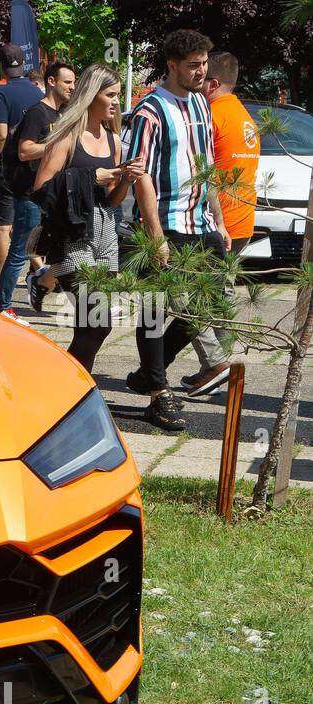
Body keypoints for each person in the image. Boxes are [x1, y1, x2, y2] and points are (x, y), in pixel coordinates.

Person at [123, 28, 230, 430]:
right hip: (164, 222)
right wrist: (154, 234)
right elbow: (140, 175)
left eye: (204, 63)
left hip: (201, 221)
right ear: (172, 66)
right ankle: (157, 392)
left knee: (211, 300)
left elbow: (206, 167)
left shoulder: (202, 103)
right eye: (193, 65)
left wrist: (218, 220)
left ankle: (150, 370)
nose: (202, 71)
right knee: (154, 307)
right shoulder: (150, 109)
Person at [33, 65, 142, 372]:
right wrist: (90, 177)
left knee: (91, 324)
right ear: (91, 95)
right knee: (98, 322)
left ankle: (73, 391)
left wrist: (126, 180)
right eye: (110, 95)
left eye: (118, 96)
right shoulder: (67, 136)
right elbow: (41, 190)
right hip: (73, 235)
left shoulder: (114, 140)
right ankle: (67, 383)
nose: (116, 103)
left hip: (105, 232)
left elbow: (111, 200)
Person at [180, 51, 259, 397]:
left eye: (202, 81)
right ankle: (219, 368)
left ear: (213, 83)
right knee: (220, 296)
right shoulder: (244, 116)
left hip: (217, 221)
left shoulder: (211, 114)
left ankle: (216, 364)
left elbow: (197, 167)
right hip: (242, 220)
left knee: (187, 294)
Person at [0, 59, 76, 319]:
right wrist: (57, 148)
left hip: (50, 195)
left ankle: (44, 283)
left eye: (74, 82)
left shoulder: (60, 114)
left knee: (59, 249)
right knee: (19, 250)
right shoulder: (38, 113)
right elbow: (24, 150)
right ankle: (3, 305)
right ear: (51, 82)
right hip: (29, 194)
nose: (72, 87)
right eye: (67, 82)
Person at [0, 43, 43, 303]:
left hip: (8, 169)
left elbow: (1, 135)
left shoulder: (2, 94)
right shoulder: (38, 93)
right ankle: (38, 272)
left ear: (2, 67)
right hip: (34, 169)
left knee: (3, 229)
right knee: (29, 227)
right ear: (24, 64)